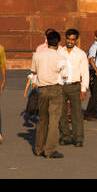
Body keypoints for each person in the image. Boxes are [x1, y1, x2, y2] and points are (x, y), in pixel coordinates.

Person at [31, 29, 67, 158]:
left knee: (42, 119)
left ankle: (39, 148)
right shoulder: (61, 58)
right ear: (58, 42)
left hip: (42, 89)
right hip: (55, 89)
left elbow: (34, 71)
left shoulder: (37, 55)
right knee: (54, 121)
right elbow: (65, 75)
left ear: (47, 41)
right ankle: (50, 150)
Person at [59, 29, 90, 147]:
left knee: (77, 114)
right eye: (68, 39)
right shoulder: (59, 52)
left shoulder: (80, 53)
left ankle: (78, 138)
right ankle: (66, 137)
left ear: (76, 40)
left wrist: (83, 89)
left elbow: (85, 72)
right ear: (65, 38)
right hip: (61, 86)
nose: (70, 41)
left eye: (72, 39)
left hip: (75, 86)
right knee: (61, 113)